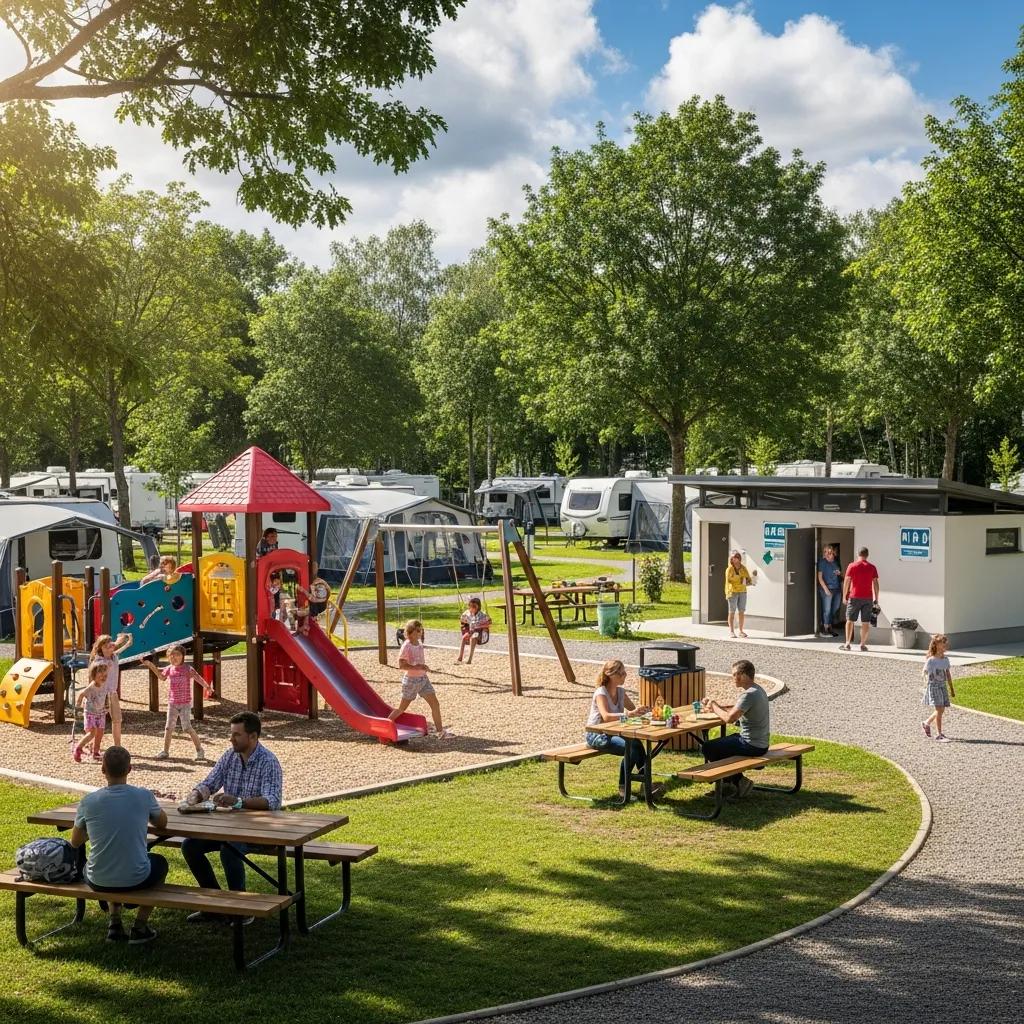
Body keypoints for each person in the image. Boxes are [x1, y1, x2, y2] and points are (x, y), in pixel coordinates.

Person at [181, 712, 283, 917]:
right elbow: (209, 783)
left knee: (230, 850)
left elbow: (272, 802)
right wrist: (194, 797)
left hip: (261, 832)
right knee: (189, 846)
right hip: (229, 829)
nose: (231, 739)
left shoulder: (268, 761)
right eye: (231, 734)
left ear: (253, 736)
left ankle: (241, 910)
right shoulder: (230, 756)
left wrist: (238, 802)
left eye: (237, 734)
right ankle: (214, 905)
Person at [70, 746, 169, 944]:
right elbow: (162, 823)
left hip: (97, 878)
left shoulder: (89, 801)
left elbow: (75, 841)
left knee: (109, 859)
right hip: (137, 877)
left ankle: (114, 923)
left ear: (102, 770)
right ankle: (140, 927)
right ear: (129, 769)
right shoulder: (144, 796)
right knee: (160, 863)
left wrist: (98, 829)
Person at [585, 660, 661, 799]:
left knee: (636, 744)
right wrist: (629, 714)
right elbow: (606, 717)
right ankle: (625, 788)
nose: (625, 675)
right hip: (597, 735)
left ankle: (645, 784)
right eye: (621, 673)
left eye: (624, 672)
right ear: (610, 675)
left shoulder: (621, 692)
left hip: (614, 732)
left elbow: (633, 709)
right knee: (631, 748)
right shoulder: (601, 693)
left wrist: (644, 710)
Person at [701, 659, 770, 799]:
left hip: (752, 745)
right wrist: (717, 707)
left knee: (708, 748)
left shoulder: (749, 694)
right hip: (761, 742)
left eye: (734, 674)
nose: (733, 678)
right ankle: (729, 783)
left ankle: (737, 781)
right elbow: (736, 711)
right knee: (723, 744)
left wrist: (713, 705)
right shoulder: (758, 690)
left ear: (742, 675)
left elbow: (729, 719)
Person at [388, 619, 452, 739]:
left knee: (435, 704)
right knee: (401, 708)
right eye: (417, 630)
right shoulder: (406, 646)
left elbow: (418, 663)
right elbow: (401, 665)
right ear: (410, 632)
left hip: (423, 679)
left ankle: (440, 732)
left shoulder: (419, 644)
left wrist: (423, 667)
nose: (420, 632)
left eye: (421, 630)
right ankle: (385, 724)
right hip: (411, 682)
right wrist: (417, 667)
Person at [142, 645, 207, 762]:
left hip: (185, 704)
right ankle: (165, 751)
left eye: (177, 654)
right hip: (172, 703)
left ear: (183, 656)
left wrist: (207, 687)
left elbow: (198, 678)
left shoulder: (187, 669)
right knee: (168, 728)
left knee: (187, 728)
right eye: (171, 655)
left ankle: (199, 750)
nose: (174, 657)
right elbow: (161, 677)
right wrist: (150, 665)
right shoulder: (169, 669)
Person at [90, 632, 133, 747]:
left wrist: (127, 640)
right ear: (100, 649)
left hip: (112, 693)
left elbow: (121, 647)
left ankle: (117, 746)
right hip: (100, 694)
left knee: (117, 719)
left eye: (110, 646)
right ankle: (93, 745)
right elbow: (95, 678)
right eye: (106, 647)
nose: (109, 648)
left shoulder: (114, 656)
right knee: (97, 721)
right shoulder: (99, 661)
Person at [841, 546, 880, 652]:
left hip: (854, 597)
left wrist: (844, 596)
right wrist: (876, 598)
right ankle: (862, 645)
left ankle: (847, 644)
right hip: (868, 598)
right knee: (865, 622)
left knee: (850, 620)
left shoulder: (852, 566)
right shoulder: (872, 567)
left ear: (858, 554)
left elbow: (846, 582)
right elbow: (876, 584)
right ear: (867, 555)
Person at [73, 663, 109, 763]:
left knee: (100, 733)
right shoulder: (91, 687)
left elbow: (104, 696)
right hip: (91, 713)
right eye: (100, 675)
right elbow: (81, 694)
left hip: (100, 712)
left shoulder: (104, 685)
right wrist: (78, 705)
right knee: (92, 733)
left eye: (105, 675)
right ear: (94, 676)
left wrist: (107, 705)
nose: (103, 677)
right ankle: (78, 748)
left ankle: (95, 752)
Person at [922, 633, 955, 742]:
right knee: (939, 709)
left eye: (945, 643)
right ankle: (939, 735)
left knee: (941, 710)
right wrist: (927, 682)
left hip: (942, 686)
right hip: (934, 687)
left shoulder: (945, 659)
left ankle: (927, 722)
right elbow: (925, 673)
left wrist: (951, 688)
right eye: (942, 643)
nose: (945, 645)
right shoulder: (931, 660)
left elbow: (948, 674)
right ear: (936, 645)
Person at [724, 550, 754, 638]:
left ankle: (741, 631)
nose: (734, 559)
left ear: (739, 558)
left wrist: (749, 581)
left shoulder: (743, 568)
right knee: (732, 612)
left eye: (736, 557)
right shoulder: (729, 569)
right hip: (732, 592)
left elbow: (748, 578)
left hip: (742, 592)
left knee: (741, 611)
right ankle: (731, 632)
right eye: (733, 558)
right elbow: (729, 580)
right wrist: (740, 579)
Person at [816, 545, 843, 637]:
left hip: (837, 589)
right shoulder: (822, 562)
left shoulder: (835, 562)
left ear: (833, 553)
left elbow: (839, 575)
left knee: (835, 608)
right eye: (825, 552)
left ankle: (829, 626)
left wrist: (839, 574)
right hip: (827, 589)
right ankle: (825, 628)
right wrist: (826, 589)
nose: (827, 554)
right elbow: (820, 578)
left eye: (829, 552)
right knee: (827, 610)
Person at [457, 597, 491, 665]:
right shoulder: (467, 613)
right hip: (471, 631)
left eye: (474, 606)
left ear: (478, 607)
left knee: (473, 638)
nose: (471, 608)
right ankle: (460, 657)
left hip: (481, 633)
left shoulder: (482, 615)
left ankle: (469, 659)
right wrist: (464, 623)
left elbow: (488, 623)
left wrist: (480, 626)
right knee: (464, 637)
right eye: (470, 606)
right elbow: (463, 621)